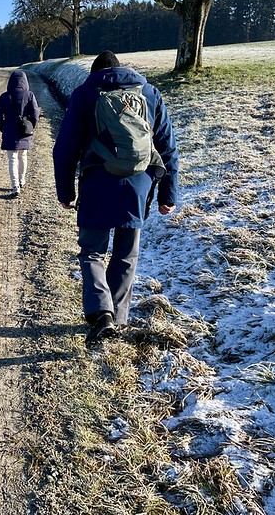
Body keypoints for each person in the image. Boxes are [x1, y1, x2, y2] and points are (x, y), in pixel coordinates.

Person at [52, 50, 179, 347]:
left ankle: (101, 316)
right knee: (126, 254)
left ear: (94, 73)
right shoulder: (149, 93)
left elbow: (65, 149)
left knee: (92, 252)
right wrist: (168, 194)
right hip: (138, 185)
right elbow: (168, 147)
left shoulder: (85, 94)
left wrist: (66, 192)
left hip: (97, 182)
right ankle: (118, 319)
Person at [0, 69, 40, 197]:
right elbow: (35, 114)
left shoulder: (4, 97)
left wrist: (4, 128)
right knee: (23, 156)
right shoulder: (30, 95)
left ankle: (15, 187)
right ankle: (21, 180)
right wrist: (31, 127)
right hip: (24, 131)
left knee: (12, 159)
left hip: (9, 131)